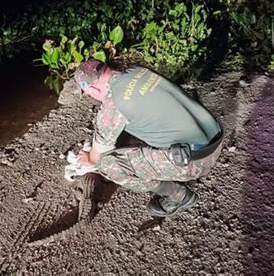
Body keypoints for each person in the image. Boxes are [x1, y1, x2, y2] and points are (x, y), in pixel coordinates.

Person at [74, 59, 223, 217]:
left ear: (94, 89)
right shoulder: (137, 70)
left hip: (199, 160)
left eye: (89, 94)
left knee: (107, 164)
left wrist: (87, 158)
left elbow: (96, 157)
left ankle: (178, 196)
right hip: (215, 136)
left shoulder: (113, 105)